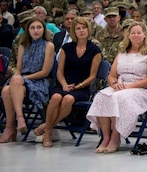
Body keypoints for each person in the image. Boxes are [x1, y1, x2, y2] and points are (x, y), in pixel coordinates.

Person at [87, 21, 147, 153]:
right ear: (128, 35)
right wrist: (115, 83)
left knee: (118, 98)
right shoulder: (122, 52)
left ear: (144, 35)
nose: (136, 35)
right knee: (101, 96)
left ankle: (116, 137)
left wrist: (130, 86)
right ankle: (106, 137)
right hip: (121, 86)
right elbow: (112, 75)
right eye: (133, 33)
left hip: (142, 89)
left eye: (139, 32)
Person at [40, 16, 102, 148]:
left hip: (82, 87)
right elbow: (59, 71)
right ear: (74, 31)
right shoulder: (66, 48)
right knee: (56, 97)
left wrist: (78, 86)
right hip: (64, 83)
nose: (81, 31)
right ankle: (48, 132)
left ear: (88, 29)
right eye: (78, 28)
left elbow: (92, 76)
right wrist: (64, 85)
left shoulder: (95, 50)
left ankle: (47, 127)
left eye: (84, 28)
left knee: (68, 99)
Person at [0, 17, 55, 143]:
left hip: (39, 80)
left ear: (43, 29)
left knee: (12, 85)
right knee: (6, 90)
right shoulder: (23, 45)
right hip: (21, 81)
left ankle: (15, 123)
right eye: (32, 28)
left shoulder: (49, 46)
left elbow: (45, 72)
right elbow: (18, 69)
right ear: (27, 30)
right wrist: (18, 76)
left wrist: (23, 78)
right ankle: (15, 123)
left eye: (39, 27)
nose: (36, 31)